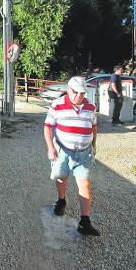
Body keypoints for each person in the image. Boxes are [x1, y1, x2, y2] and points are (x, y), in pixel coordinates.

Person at [43, 76, 100, 236]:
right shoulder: (57, 105)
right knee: (61, 177)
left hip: (84, 153)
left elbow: (93, 126)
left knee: (85, 184)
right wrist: (50, 148)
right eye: (76, 92)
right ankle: (61, 200)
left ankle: (85, 222)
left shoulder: (90, 106)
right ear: (68, 90)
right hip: (62, 150)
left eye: (82, 93)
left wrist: (94, 144)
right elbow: (47, 127)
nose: (79, 96)